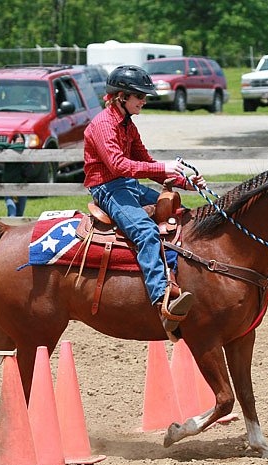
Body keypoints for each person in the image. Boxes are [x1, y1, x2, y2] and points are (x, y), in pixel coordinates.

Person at [83, 65, 206, 337]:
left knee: (179, 213)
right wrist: (163, 169)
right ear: (120, 97)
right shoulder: (103, 125)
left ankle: (183, 277)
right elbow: (117, 165)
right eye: (139, 95)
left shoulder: (127, 124)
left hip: (128, 185)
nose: (144, 101)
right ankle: (161, 299)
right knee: (146, 232)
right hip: (107, 189)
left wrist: (187, 183)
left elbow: (144, 162)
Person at [4, 133, 27, 217]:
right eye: (18, 143)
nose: (20, 146)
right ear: (13, 142)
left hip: (22, 186)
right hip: (9, 187)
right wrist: (10, 147)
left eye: (22, 143)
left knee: (20, 213)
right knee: (12, 211)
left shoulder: (25, 153)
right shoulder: (7, 152)